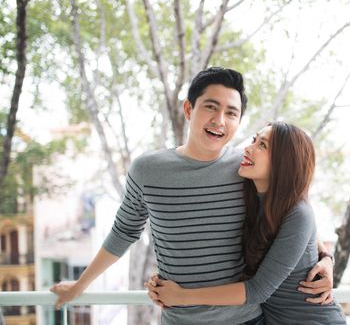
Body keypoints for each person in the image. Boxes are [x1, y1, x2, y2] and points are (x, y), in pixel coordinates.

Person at [51, 67, 334, 325]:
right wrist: (80, 286)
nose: (219, 120)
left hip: (246, 319)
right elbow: (124, 231)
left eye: (231, 113)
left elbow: (289, 210)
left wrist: (325, 258)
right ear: (188, 109)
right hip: (178, 320)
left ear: (238, 121)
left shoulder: (245, 168)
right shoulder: (147, 170)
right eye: (211, 107)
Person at [146, 122, 346, 324]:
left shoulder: (298, 213)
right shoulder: (251, 197)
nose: (248, 148)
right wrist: (166, 281)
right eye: (254, 140)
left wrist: (182, 296)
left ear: (283, 162)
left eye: (263, 146)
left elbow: (257, 290)